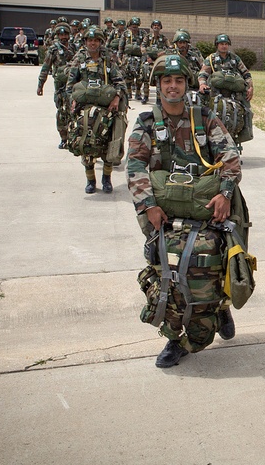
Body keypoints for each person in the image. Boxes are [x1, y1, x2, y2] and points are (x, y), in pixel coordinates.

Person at [126, 54, 242, 367]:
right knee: (169, 274)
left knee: (217, 264)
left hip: (207, 208)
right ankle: (176, 339)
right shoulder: (147, 124)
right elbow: (135, 164)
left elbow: (230, 156)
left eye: (178, 81)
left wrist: (225, 193)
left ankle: (221, 305)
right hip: (164, 211)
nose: (173, 86)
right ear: (158, 85)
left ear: (186, 84)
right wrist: (148, 205)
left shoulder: (203, 119)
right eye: (167, 81)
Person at [66, 26, 128, 194]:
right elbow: (70, 85)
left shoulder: (108, 59)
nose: (92, 43)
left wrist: (116, 98)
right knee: (86, 143)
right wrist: (72, 101)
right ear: (85, 42)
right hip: (85, 110)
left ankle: (106, 179)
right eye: (89, 40)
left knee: (109, 144)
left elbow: (120, 83)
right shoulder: (79, 59)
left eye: (96, 40)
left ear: (101, 42)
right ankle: (91, 180)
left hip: (106, 109)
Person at [199, 34, 253, 148]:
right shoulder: (211, 59)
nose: (224, 46)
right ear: (217, 45)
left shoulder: (235, 58)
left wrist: (250, 87)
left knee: (246, 111)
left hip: (234, 93)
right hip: (215, 93)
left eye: (226, 44)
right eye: (221, 44)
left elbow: (246, 73)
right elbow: (203, 73)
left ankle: (244, 134)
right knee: (203, 111)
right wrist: (202, 84)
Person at [37, 25, 76, 149]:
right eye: (61, 35)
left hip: (74, 86)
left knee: (75, 112)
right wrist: (40, 84)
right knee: (62, 112)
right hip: (60, 86)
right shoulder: (53, 49)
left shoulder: (74, 48)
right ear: (57, 36)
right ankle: (64, 138)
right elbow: (46, 67)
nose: (63, 37)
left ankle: (74, 137)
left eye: (65, 35)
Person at [140, 19, 169, 104]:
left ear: (160, 27)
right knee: (145, 76)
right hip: (148, 60)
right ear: (152, 27)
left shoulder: (163, 38)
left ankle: (159, 98)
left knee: (159, 78)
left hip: (159, 61)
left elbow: (170, 47)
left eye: (158, 25)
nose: (156, 27)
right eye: (154, 25)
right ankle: (145, 96)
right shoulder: (147, 37)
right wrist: (147, 56)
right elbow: (142, 47)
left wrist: (163, 53)